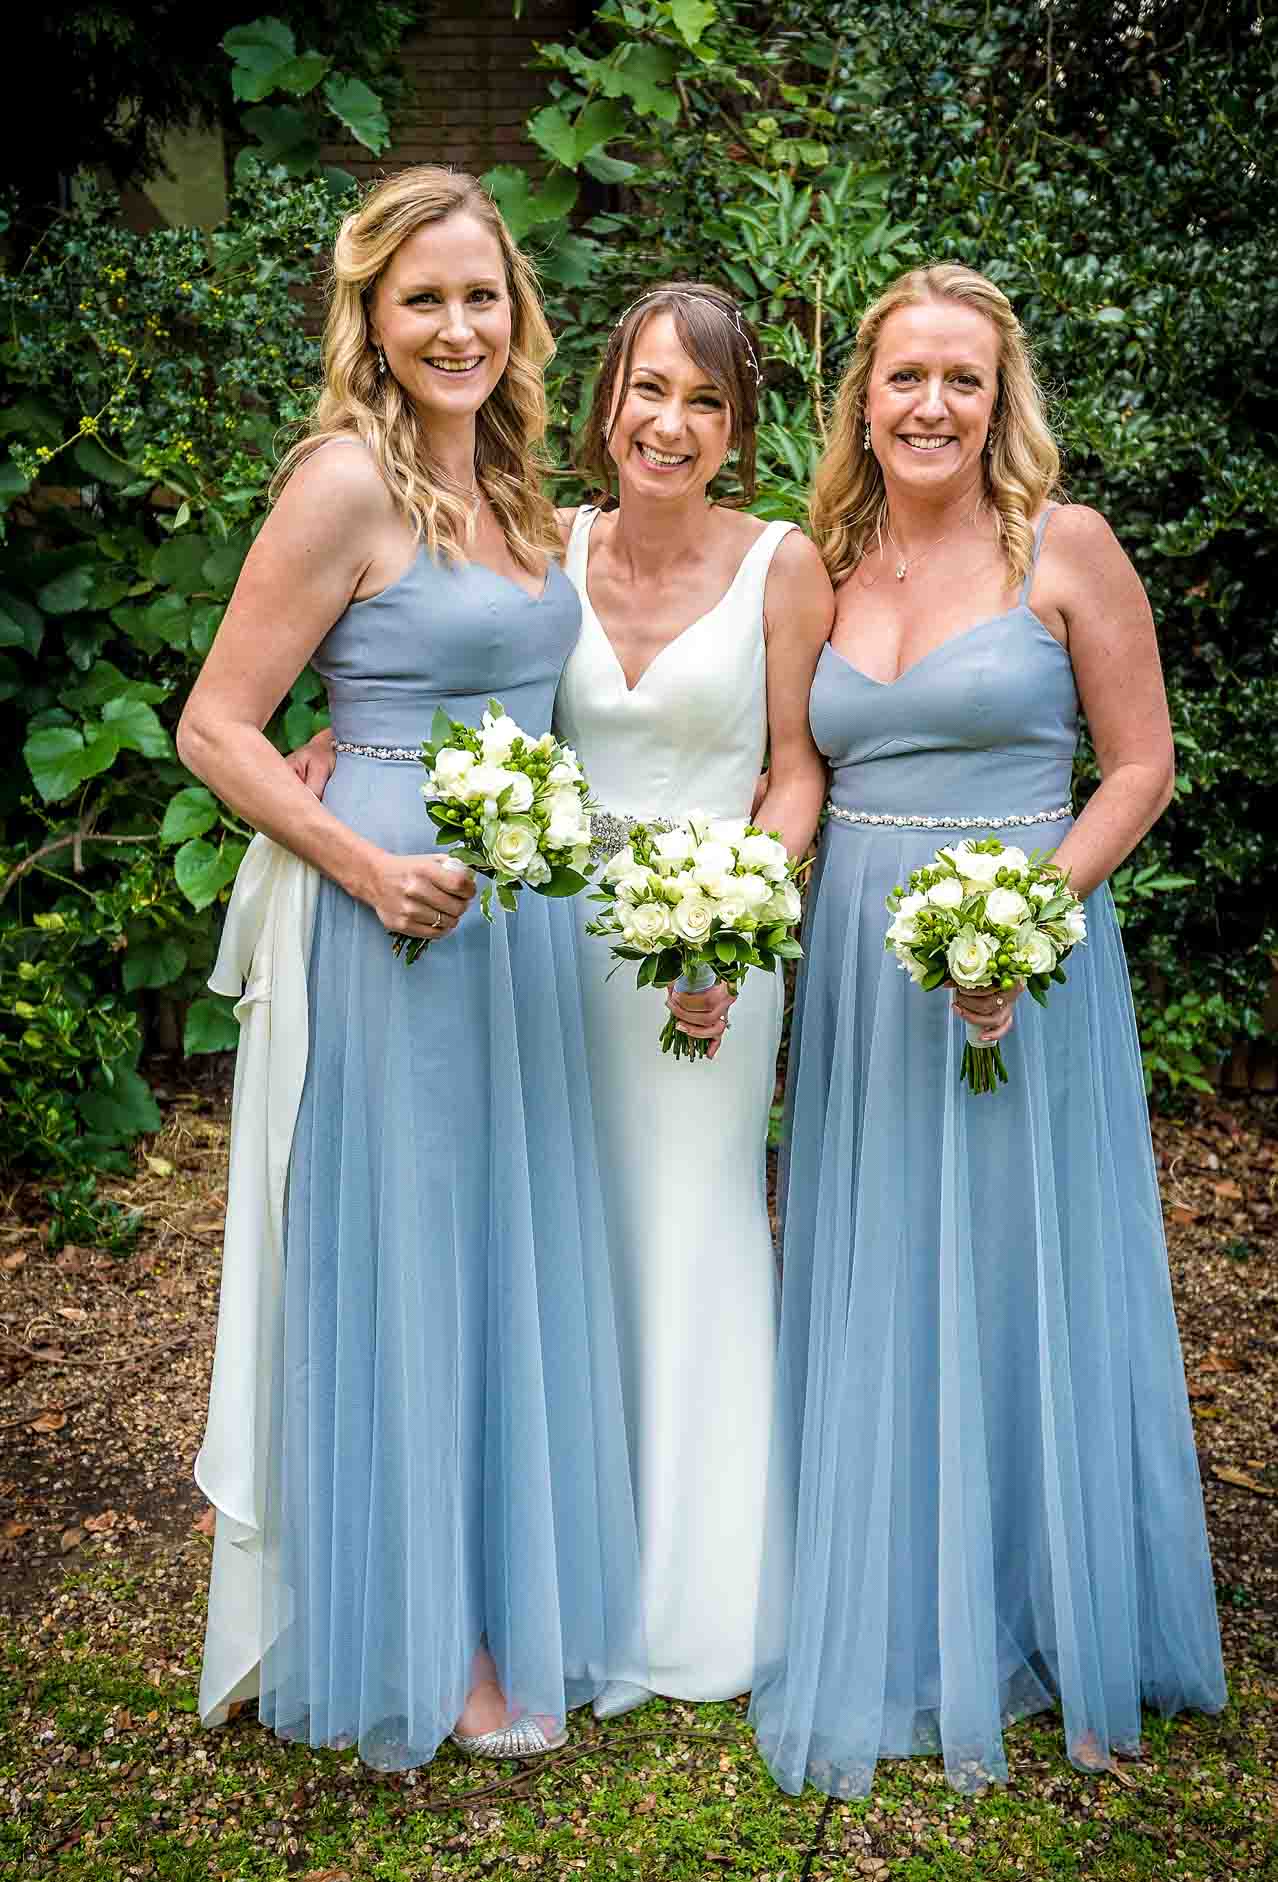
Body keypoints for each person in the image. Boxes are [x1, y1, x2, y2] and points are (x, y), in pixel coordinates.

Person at [181, 166, 643, 1771]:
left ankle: (511, 1597)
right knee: (413, 1258)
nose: (458, 325)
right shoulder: (341, 484)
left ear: (518, 316)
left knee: (504, 1247)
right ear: (370, 319)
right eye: (422, 297)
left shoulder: (517, 493)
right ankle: (426, 1639)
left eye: (481, 295)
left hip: (517, 928)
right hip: (393, 921)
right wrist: (367, 862)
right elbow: (214, 724)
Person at [750, 262, 1226, 1798]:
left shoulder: (1062, 548)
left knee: (1031, 1269)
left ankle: (1064, 1619)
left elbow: (1139, 768)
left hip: (1020, 958)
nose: (931, 405)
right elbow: (797, 771)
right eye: (903, 378)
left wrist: (1025, 921)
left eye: (960, 378)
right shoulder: (821, 562)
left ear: (999, 398)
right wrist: (729, 912)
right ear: (863, 400)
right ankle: (892, 1603)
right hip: (857, 979)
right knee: (882, 1260)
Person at [554, 284, 832, 1716]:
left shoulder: (780, 565)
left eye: (706, 402)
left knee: (694, 1220)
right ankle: (567, 1561)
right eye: (651, 389)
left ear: (735, 427)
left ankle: (703, 1597)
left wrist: (730, 914)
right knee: (567, 1230)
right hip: (551, 951)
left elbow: (797, 769)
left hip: (713, 953)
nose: (672, 424)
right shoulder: (544, 550)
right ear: (606, 395)